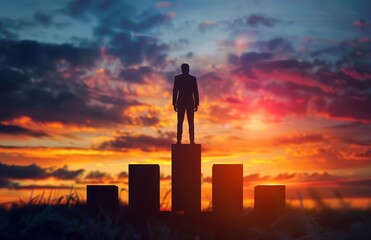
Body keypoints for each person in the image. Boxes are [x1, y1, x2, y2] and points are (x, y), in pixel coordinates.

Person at [173, 63, 199, 144]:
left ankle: (181, 140)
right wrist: (196, 103)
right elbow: (175, 91)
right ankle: (189, 140)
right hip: (186, 102)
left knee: (184, 122)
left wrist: (174, 103)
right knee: (187, 122)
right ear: (188, 69)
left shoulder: (179, 78)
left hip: (183, 102)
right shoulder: (191, 79)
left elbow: (195, 91)